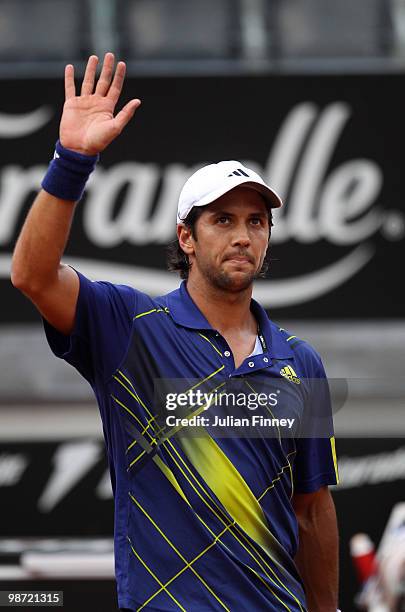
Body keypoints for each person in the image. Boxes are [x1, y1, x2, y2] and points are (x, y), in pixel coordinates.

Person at [11, 53, 340, 612]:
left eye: (255, 222)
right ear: (186, 238)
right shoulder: (130, 327)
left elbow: (312, 509)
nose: (242, 236)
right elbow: (31, 276)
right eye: (222, 220)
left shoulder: (299, 361)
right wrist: (73, 160)